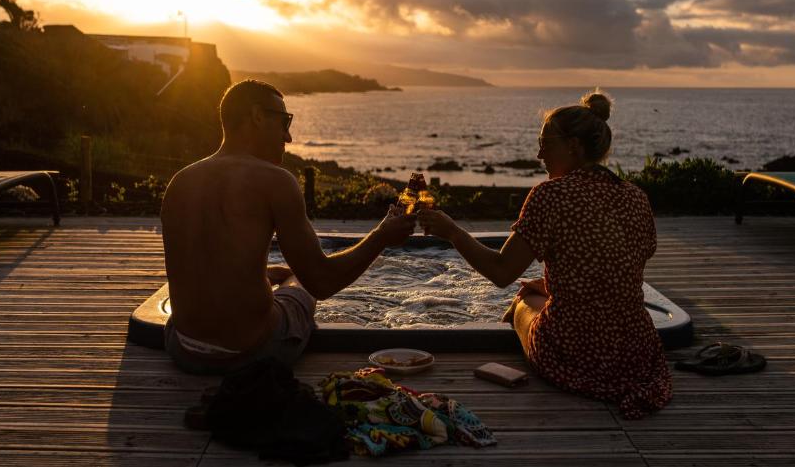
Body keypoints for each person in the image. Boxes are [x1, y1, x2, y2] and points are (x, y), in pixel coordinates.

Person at [418, 89, 672, 419]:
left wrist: (452, 231)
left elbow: (501, 272)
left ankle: (517, 346)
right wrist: (557, 284)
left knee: (523, 300)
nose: (539, 155)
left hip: (579, 354)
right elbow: (616, 264)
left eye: (546, 144)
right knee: (541, 291)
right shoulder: (636, 196)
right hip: (636, 352)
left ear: (574, 147)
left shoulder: (550, 196)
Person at [161, 80, 416, 375]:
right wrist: (382, 236)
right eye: (284, 122)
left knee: (277, 275)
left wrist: (262, 274)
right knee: (298, 284)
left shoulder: (180, 181)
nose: (289, 137)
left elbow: (202, 260)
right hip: (250, 354)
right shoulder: (276, 181)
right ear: (257, 116)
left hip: (183, 347)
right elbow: (321, 281)